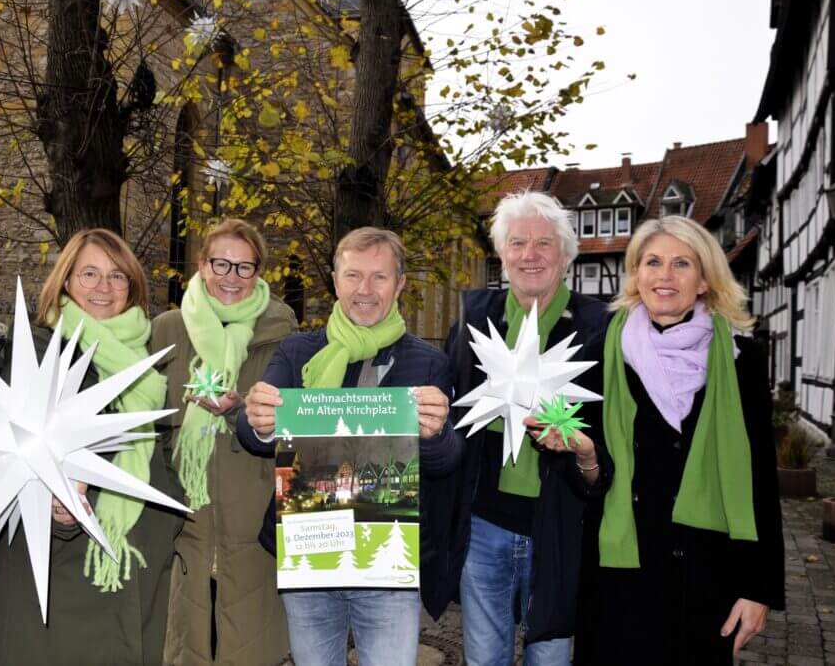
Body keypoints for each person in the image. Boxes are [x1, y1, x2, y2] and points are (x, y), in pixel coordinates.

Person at [239, 227, 462, 666]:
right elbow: (254, 438)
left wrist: (434, 434)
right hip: (311, 557)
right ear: (335, 281)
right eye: (354, 275)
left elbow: (447, 461)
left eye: (380, 277)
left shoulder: (428, 361)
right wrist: (261, 420)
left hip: (387, 566)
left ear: (399, 285)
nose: (365, 290)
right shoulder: (298, 350)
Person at [574, 216, 784, 664]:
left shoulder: (741, 358)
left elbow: (759, 476)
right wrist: (586, 458)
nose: (664, 276)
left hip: (707, 576)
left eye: (681, 263)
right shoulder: (600, 351)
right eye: (652, 262)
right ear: (636, 275)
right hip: (622, 574)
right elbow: (586, 481)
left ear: (705, 280)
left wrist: (757, 588)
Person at [426, 191, 613, 666]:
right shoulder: (473, 318)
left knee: (550, 659)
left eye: (544, 243)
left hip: (560, 531)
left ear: (567, 254)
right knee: (483, 660)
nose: (530, 255)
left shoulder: (602, 329)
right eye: (517, 243)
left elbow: (615, 441)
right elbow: (448, 414)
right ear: (501, 255)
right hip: (484, 527)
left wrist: (586, 456)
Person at [0, 229, 182, 665]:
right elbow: (5, 453)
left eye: (117, 276)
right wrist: (52, 501)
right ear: (66, 281)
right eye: (89, 273)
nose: (103, 288)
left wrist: (173, 512)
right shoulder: (32, 350)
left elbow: (160, 446)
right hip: (59, 557)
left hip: (138, 557)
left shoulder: (144, 359)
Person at [152, 218, 296, 666]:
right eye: (221, 263)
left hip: (251, 527)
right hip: (186, 526)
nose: (231, 277)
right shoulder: (166, 330)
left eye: (244, 267)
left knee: (250, 649)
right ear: (201, 264)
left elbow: (295, 436)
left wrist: (240, 415)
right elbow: (148, 426)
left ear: (259, 273)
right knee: (186, 645)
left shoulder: (284, 337)